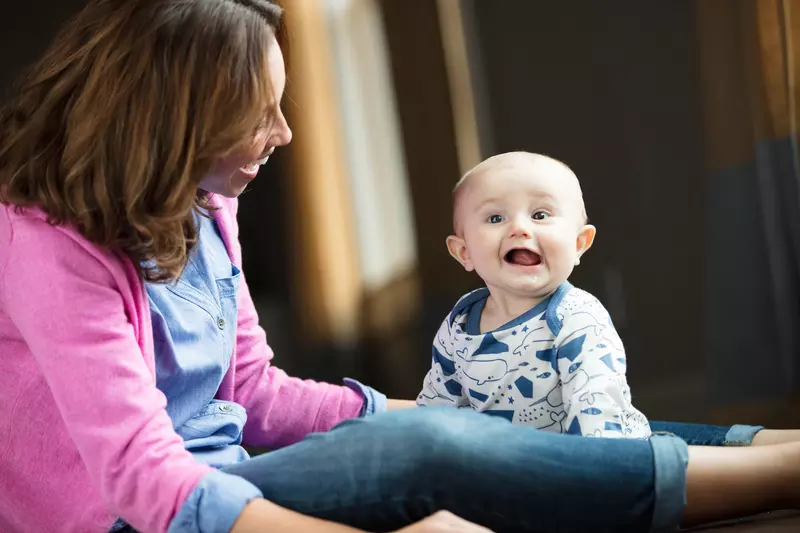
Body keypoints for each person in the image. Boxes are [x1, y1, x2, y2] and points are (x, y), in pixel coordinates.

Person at [0, 1, 799, 533]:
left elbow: (251, 391)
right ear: (172, 120)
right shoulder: (47, 239)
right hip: (132, 516)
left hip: (228, 473)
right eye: (256, 115)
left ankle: (770, 446)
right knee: (426, 450)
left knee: (511, 410)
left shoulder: (204, 205)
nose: (281, 134)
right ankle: (781, 479)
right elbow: (145, 480)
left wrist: (415, 408)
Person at [418, 152, 650, 438]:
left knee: (685, 450)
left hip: (597, 459)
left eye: (540, 215)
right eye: (495, 217)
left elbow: (597, 415)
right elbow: (437, 410)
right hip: (509, 467)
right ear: (464, 252)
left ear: (579, 244)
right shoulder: (459, 326)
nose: (519, 228)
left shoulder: (576, 318)